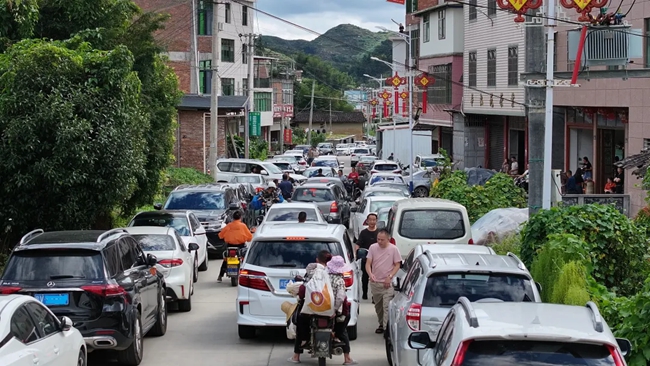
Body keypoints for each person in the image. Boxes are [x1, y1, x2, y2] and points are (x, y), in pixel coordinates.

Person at [290, 250, 333, 364]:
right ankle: (345, 352)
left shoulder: (312, 272)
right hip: (330, 308)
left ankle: (297, 354)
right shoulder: (334, 272)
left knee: (300, 319)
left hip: (311, 308)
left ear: (317, 260)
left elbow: (304, 289)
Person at [365, 229, 401, 334]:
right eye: (378, 239)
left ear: (388, 239)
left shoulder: (394, 249)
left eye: (382, 240)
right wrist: (370, 274)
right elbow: (368, 263)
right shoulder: (372, 248)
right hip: (375, 282)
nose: (380, 242)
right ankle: (381, 323)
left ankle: (386, 329)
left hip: (387, 283)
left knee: (386, 306)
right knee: (378, 306)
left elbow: (397, 264)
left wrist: (390, 276)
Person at [326, 256, 357, 365]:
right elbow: (340, 298)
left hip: (322, 309)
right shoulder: (340, 281)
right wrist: (334, 310)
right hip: (336, 312)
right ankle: (347, 358)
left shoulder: (324, 278)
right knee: (343, 332)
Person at [217, 210, 252, 282]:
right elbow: (250, 238)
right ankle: (249, 275)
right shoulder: (243, 226)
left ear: (233, 218)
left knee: (225, 260)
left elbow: (220, 236)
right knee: (246, 259)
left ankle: (220, 276)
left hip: (230, 246)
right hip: (241, 246)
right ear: (240, 218)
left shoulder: (229, 225)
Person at [355, 213, 379, 300]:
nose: (372, 222)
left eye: (374, 220)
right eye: (370, 220)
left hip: (377, 260)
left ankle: (374, 296)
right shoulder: (363, 232)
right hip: (366, 259)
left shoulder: (379, 233)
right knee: (365, 277)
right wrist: (357, 253)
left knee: (376, 278)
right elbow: (358, 244)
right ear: (367, 221)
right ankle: (364, 293)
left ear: (376, 221)